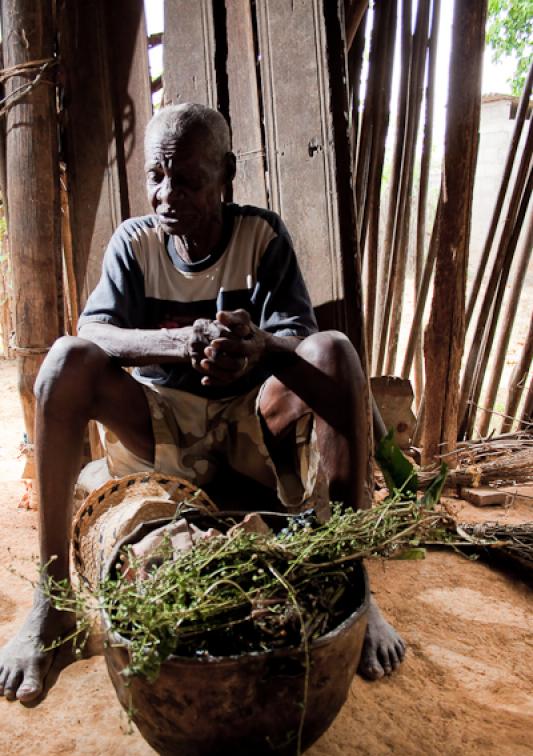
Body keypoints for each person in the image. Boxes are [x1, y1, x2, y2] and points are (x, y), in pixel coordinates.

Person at [0, 103, 404, 703]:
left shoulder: (260, 235)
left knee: (335, 353)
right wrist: (177, 344)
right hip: (162, 427)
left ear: (227, 174)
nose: (167, 194)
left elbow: (300, 336)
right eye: (156, 178)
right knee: (64, 362)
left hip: (251, 425)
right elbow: (95, 332)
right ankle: (52, 603)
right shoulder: (135, 243)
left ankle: (354, 580)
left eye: (186, 179)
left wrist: (256, 345)